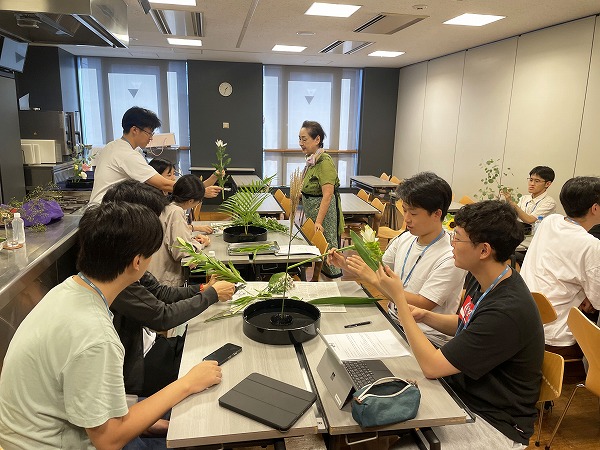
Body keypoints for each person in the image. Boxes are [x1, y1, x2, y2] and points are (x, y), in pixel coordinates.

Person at [0, 202, 222, 449]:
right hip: (59, 443)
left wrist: (140, 421)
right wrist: (187, 383)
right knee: (203, 423)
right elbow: (108, 440)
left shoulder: (68, 290)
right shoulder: (96, 334)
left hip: (58, 429)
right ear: (137, 262)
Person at [365, 200, 544, 448]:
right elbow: (467, 322)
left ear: (484, 250)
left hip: (494, 421)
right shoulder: (485, 277)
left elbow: (432, 367)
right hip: (459, 392)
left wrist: (400, 301)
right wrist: (425, 316)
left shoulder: (507, 310)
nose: (451, 244)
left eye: (457, 238)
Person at [102, 180, 235, 396]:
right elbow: (162, 316)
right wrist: (211, 295)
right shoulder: (113, 275)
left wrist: (203, 288)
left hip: (153, 345)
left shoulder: (123, 259)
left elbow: (161, 292)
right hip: (141, 367)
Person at [329, 172, 465, 345]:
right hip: (394, 321)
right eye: (405, 210)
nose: (406, 219)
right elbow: (380, 270)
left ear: (437, 214)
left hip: (427, 337)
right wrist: (345, 263)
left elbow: (423, 304)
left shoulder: (451, 257)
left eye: (413, 213)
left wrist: (373, 279)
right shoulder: (405, 238)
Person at [521, 176, 600, 357]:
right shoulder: (590, 245)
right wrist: (588, 296)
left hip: (524, 320)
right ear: (595, 208)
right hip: (554, 338)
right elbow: (597, 301)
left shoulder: (550, 221)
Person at [89, 106, 222, 204]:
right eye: (149, 133)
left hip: (103, 208)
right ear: (134, 130)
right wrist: (200, 192)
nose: (151, 138)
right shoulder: (126, 154)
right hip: (105, 211)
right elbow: (164, 185)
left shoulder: (113, 146)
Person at [147, 174, 214, 287]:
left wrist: (192, 240)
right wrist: (201, 244)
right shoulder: (176, 212)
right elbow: (182, 251)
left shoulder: (166, 205)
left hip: (154, 271)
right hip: (165, 277)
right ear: (191, 201)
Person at [299, 120, 344, 278]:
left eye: (304, 139)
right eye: (299, 139)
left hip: (324, 217)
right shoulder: (312, 160)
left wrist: (318, 222)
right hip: (314, 214)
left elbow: (328, 194)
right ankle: (320, 281)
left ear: (317, 139)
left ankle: (333, 285)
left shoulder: (324, 162)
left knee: (329, 252)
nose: (301, 143)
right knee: (319, 252)